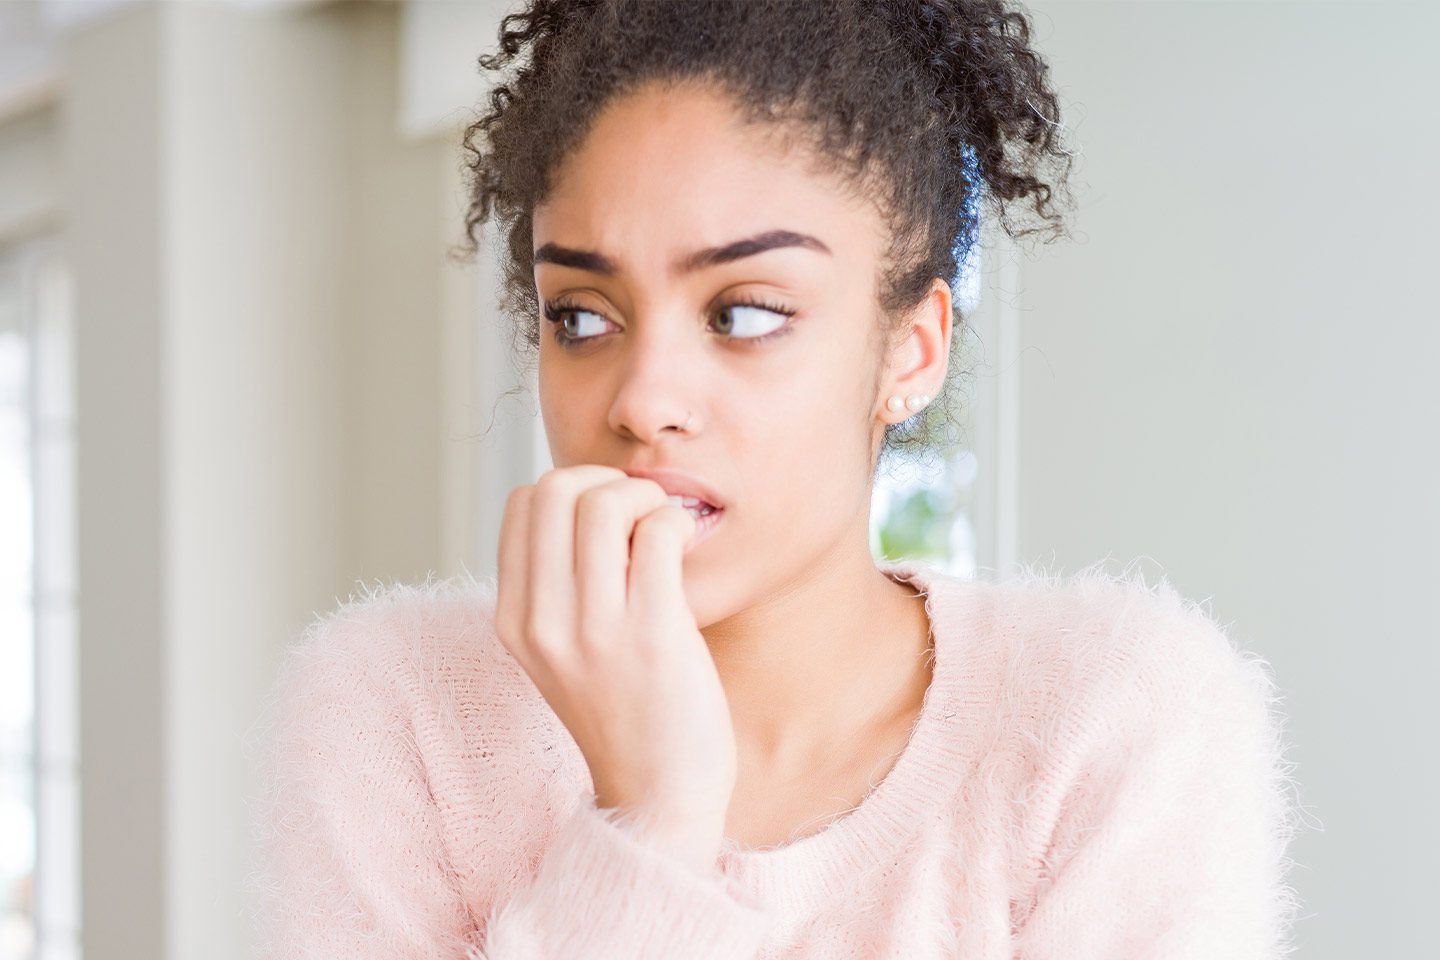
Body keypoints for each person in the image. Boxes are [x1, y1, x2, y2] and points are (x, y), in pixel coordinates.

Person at [246, 1, 1303, 957]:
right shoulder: (394, 712)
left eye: (744, 312)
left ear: (912, 352)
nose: (642, 399)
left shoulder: (1113, 719)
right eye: (581, 316)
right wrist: (650, 822)